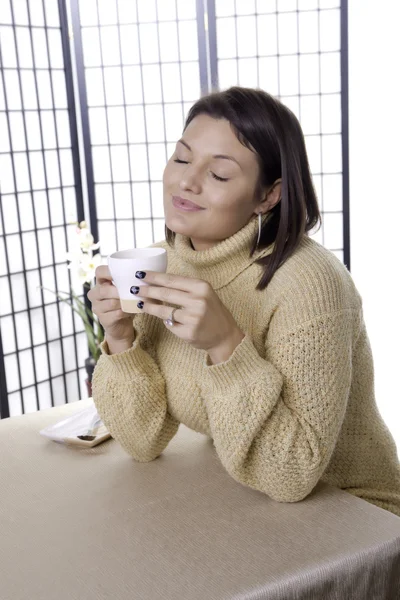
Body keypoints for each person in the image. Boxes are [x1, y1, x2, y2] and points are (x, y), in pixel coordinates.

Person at [88, 86, 400, 517]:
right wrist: (121, 339)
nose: (186, 181)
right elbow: (143, 442)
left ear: (268, 195)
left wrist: (225, 345)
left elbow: (292, 476)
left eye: (218, 175)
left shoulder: (310, 284)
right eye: (181, 157)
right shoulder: (164, 263)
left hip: (350, 510)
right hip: (243, 491)